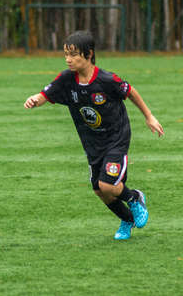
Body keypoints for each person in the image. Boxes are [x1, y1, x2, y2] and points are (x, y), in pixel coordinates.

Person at [24, 31, 164, 240]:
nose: (68, 60)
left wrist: (149, 116)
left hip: (116, 138)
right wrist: (35, 99)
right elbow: (46, 94)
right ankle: (126, 220)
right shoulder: (66, 80)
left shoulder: (106, 80)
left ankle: (135, 197)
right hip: (92, 144)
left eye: (73, 55)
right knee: (100, 191)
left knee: (107, 185)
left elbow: (130, 91)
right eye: (66, 55)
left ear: (89, 55)